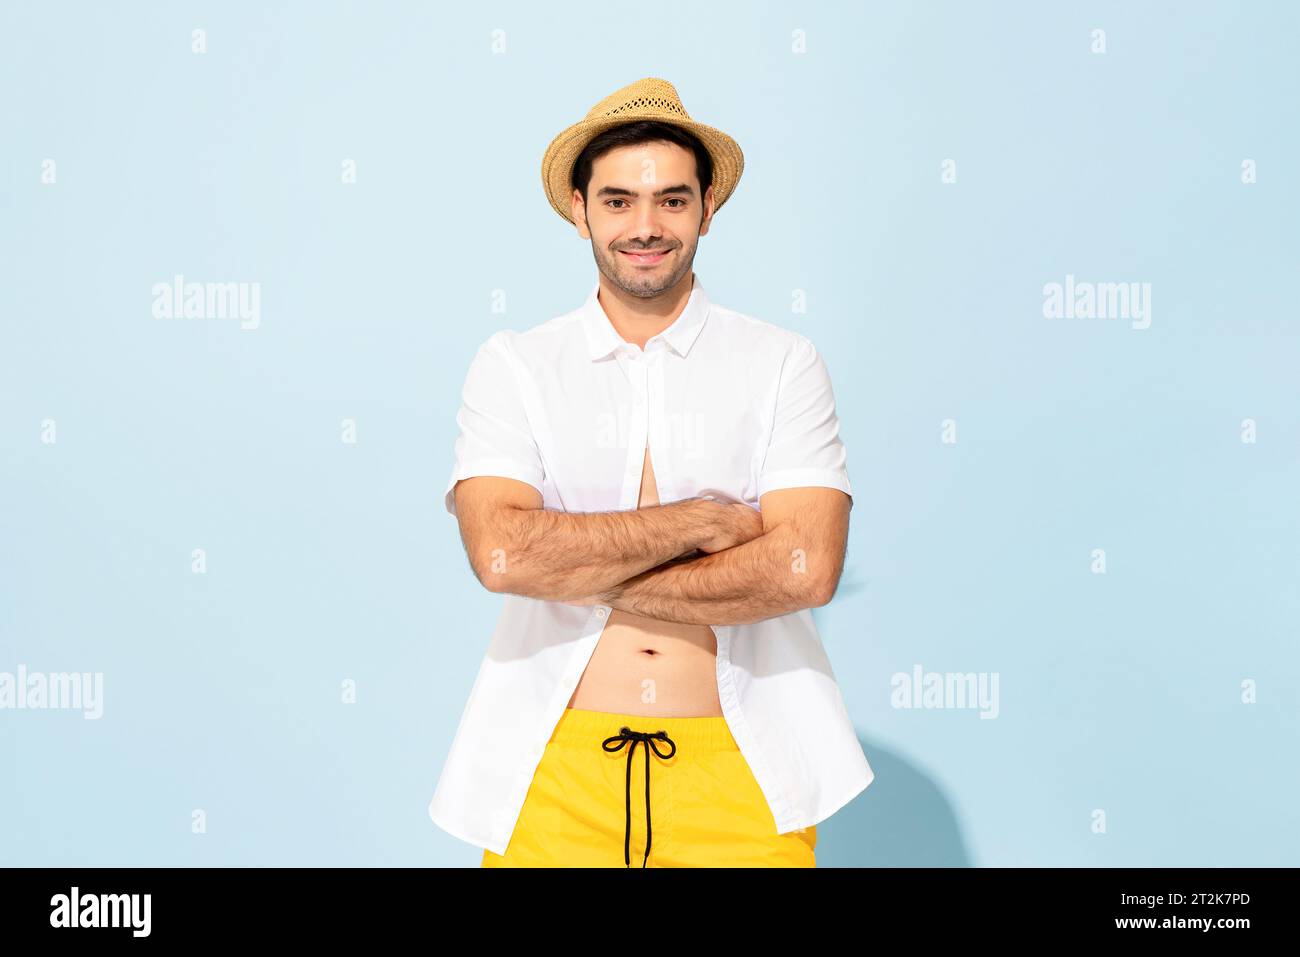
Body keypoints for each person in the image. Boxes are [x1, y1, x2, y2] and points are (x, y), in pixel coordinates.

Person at [429, 77, 874, 867]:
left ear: (709, 208)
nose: (645, 225)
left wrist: (571, 562)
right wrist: (701, 523)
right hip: (554, 769)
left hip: (740, 770)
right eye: (618, 200)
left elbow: (805, 568)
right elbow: (501, 555)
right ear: (579, 208)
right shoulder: (517, 364)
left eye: (672, 200)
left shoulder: (780, 362)